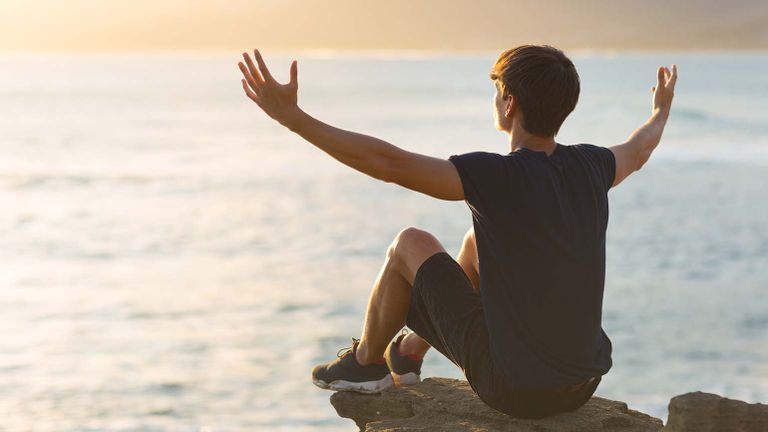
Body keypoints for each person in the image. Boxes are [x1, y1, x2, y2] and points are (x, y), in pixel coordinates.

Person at [237, 45, 677, 419]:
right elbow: (640, 148)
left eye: (496, 92)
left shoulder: (497, 175)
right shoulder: (592, 165)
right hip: (583, 382)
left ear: (510, 104)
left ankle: (366, 365)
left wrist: (293, 118)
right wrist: (660, 112)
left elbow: (389, 163)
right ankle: (409, 352)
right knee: (474, 242)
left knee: (410, 243)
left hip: (516, 392)